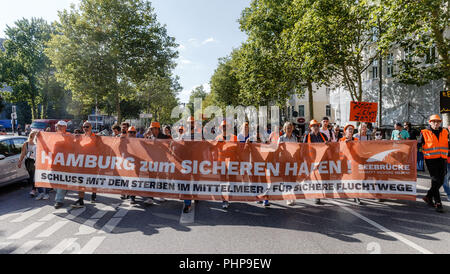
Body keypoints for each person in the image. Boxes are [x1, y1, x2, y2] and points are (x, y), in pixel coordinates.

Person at [418, 114, 447, 213]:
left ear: (440, 122)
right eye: (434, 121)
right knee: (435, 180)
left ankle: (428, 196)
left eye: (438, 121)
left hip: (442, 159)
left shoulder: (445, 131)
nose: (436, 123)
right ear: (430, 122)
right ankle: (438, 203)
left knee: (441, 181)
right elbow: (418, 144)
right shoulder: (424, 132)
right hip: (431, 160)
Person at [71, 121, 97, 208]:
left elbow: (98, 147)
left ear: (91, 128)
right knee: (81, 181)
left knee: (93, 180)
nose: (85, 128)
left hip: (92, 163)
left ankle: (94, 194)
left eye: (87, 127)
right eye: (84, 127)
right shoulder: (80, 137)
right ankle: (81, 199)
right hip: (82, 162)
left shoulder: (96, 137)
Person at [18, 130, 48, 199]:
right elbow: (23, 153)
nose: (34, 137)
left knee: (36, 176)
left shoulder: (39, 143)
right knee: (32, 176)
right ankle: (36, 189)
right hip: (29, 161)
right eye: (33, 135)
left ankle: (35, 190)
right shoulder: (26, 143)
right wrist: (20, 161)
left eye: (36, 135)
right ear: (31, 136)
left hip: (38, 161)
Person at [303, 119, 328, 205]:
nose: (316, 127)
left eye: (317, 126)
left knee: (322, 178)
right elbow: (304, 148)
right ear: (310, 127)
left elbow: (329, 146)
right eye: (314, 126)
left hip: (322, 160)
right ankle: (317, 196)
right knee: (315, 179)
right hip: (312, 160)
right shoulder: (307, 136)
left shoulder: (323, 136)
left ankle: (319, 193)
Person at [215, 120, 238, 209]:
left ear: (229, 128)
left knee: (232, 182)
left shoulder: (234, 137)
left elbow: (239, 149)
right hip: (222, 162)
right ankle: (224, 200)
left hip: (232, 162)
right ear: (220, 128)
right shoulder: (218, 138)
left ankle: (229, 196)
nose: (224, 128)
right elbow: (213, 149)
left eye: (226, 126)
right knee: (223, 182)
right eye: (223, 126)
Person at [278, 122, 298, 206]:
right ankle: (288, 198)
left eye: (290, 128)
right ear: (284, 129)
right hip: (284, 161)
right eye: (287, 128)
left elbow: (297, 148)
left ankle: (292, 196)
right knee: (286, 180)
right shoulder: (281, 138)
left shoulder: (295, 138)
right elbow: (278, 149)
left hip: (293, 161)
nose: (289, 130)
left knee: (293, 179)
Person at [54, 121, 70, 209]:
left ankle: (59, 200)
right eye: (57, 126)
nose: (58, 128)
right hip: (54, 162)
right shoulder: (52, 136)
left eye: (60, 126)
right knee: (52, 181)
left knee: (61, 181)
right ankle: (63, 189)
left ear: (65, 127)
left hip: (65, 163)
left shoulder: (69, 136)